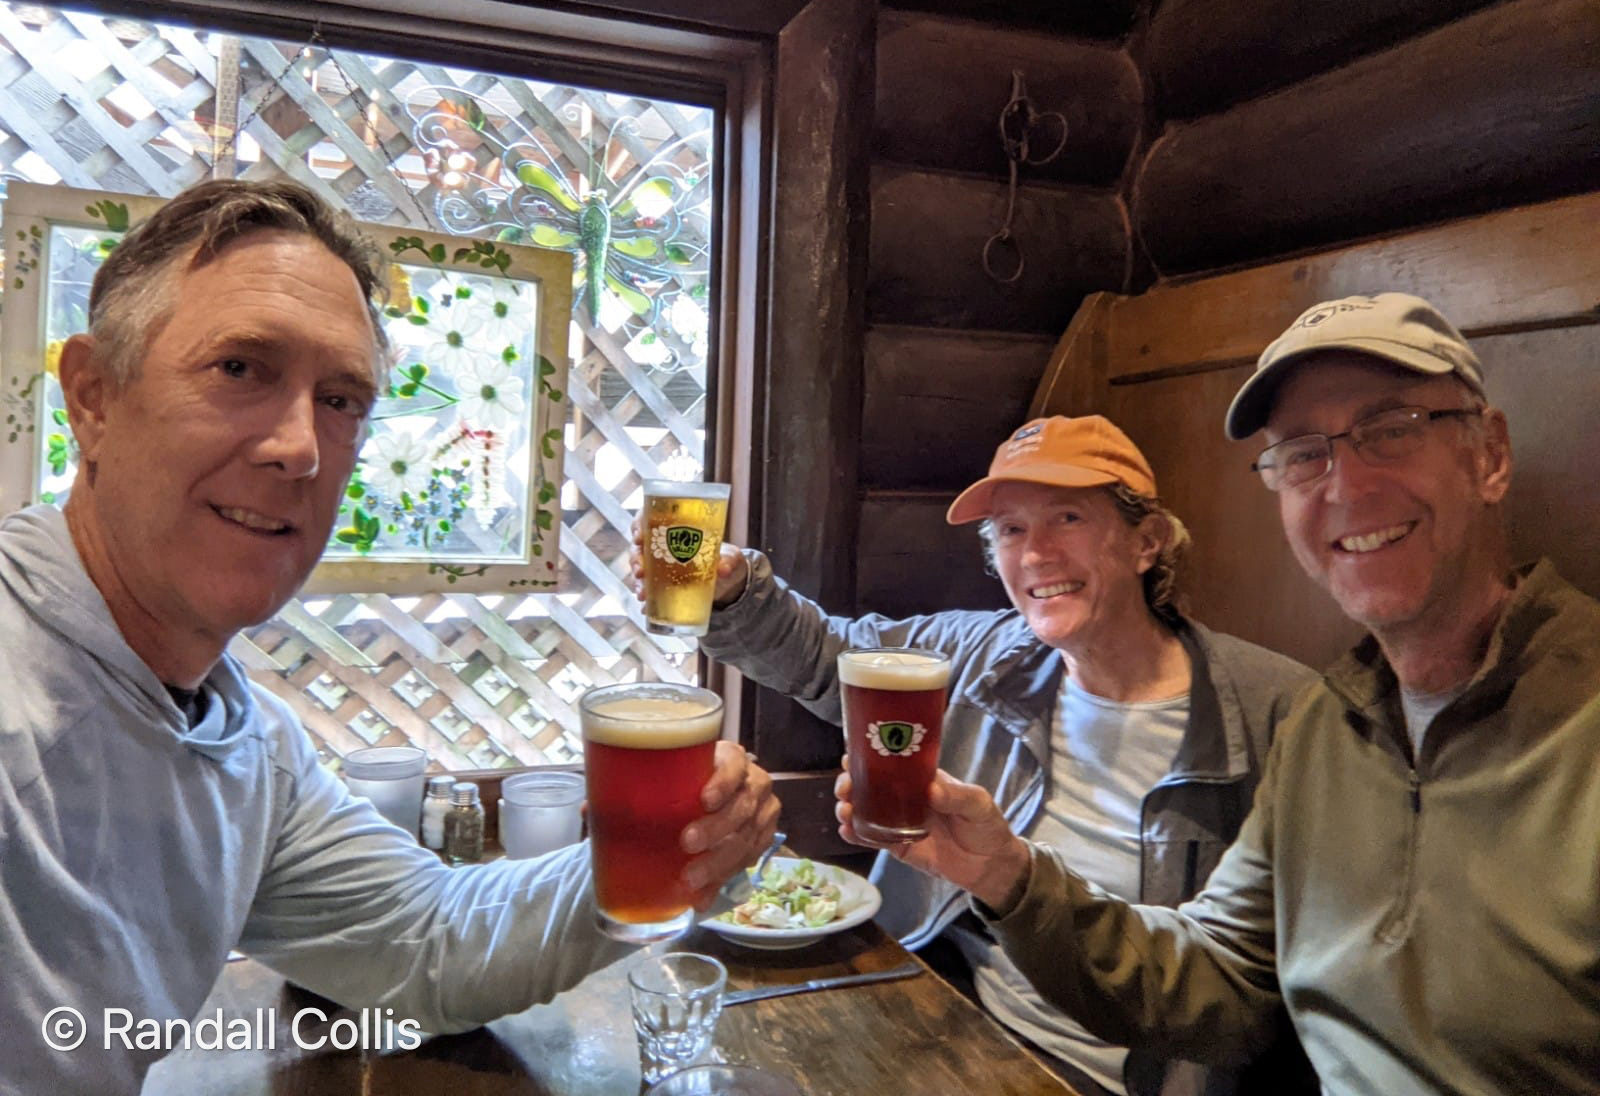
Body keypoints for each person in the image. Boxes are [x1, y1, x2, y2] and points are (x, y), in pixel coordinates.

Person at [0, 178, 780, 1096]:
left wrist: (676, 853)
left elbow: (424, 945)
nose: (300, 447)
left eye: (341, 400)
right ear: (92, 397)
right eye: (239, 368)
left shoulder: (241, 740)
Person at [851, 293, 1600, 1095]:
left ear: (1490, 457)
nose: (1346, 486)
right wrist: (1009, 876)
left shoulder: (1287, 705)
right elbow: (1223, 977)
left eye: (1392, 430)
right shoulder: (1331, 724)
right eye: (1304, 453)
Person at [634, 415, 1316, 1096]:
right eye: (1011, 530)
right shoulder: (983, 652)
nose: (1036, 554)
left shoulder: (1276, 711)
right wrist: (732, 591)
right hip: (943, 1011)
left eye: (1069, 518)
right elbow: (822, 654)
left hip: (1117, 1073)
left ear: (1148, 541)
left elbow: (1251, 995)